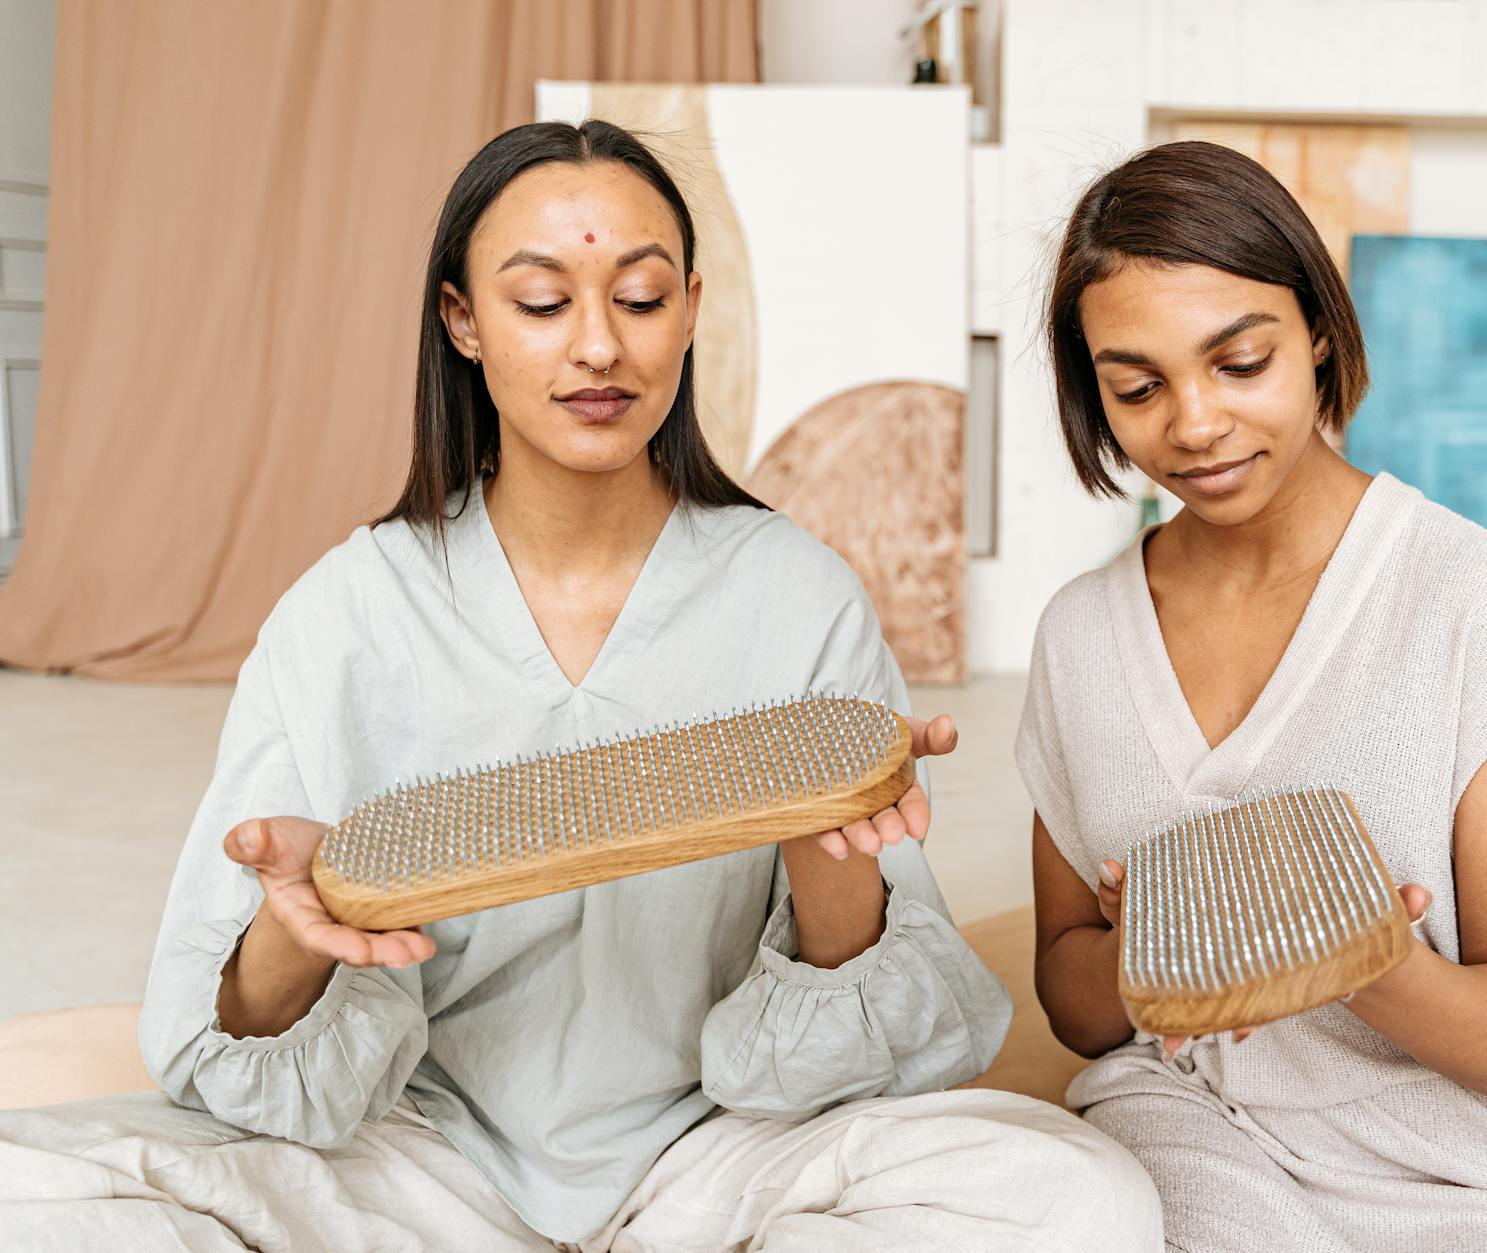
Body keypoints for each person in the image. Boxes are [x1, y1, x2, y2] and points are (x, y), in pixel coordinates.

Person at [0, 120, 1161, 1252]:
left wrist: (828, 863)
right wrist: (294, 933)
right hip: (417, 1156)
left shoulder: (798, 597)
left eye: (641, 298)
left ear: (694, 310)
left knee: (1077, 1197)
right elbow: (229, 1057)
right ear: (460, 320)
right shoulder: (343, 616)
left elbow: (860, 1038)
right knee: (30, 1197)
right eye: (543, 302)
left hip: (719, 1156)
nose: (598, 346)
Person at [1019, 139, 1487, 1253]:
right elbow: (1074, 1003)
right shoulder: (1080, 633)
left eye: (1238, 361)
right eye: (1137, 386)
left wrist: (1360, 959)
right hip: (1187, 1128)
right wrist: (1167, 950)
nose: (1195, 423)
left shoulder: (1475, 608)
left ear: (1314, 330)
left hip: (1454, 1163)